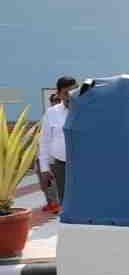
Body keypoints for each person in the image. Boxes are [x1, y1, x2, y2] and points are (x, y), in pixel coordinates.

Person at [39, 76, 78, 206]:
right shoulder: (51, 113)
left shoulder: (87, 111)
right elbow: (44, 141)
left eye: (73, 91)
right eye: (66, 93)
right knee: (65, 202)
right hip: (61, 166)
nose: (70, 96)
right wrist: (44, 169)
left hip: (84, 165)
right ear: (59, 94)